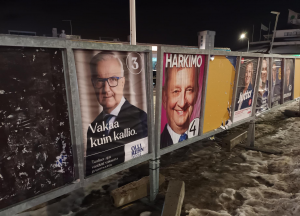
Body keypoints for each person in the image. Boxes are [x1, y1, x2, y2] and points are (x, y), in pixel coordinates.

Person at [86, 51, 148, 174]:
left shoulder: (140, 118)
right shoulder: (93, 127)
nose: (106, 89)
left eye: (113, 79)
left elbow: (142, 164)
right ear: (93, 84)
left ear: (123, 82)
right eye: (100, 80)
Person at [160, 64, 199, 149]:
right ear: (164, 97)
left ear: (196, 94)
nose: (182, 103)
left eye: (189, 90)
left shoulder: (202, 138)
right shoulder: (158, 145)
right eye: (176, 91)